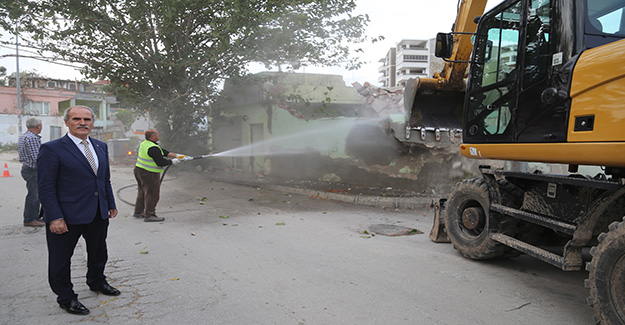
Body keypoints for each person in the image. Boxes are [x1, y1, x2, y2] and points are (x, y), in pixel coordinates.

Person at [38, 105, 120, 315]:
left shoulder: (100, 146)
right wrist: (54, 217)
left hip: (97, 212)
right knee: (60, 259)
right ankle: (66, 297)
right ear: (67, 122)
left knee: (98, 251)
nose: (82, 123)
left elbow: (104, 179)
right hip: (66, 216)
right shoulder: (52, 149)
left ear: (93, 123)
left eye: (87, 119)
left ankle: (96, 281)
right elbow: (46, 187)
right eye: (76, 119)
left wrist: (110, 203)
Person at [133, 128, 187, 222]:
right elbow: (161, 162)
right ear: (153, 136)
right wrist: (174, 162)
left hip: (139, 170)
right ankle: (150, 215)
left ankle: (138, 212)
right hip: (149, 173)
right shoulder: (153, 148)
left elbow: (163, 152)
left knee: (142, 191)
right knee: (152, 194)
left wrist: (177, 155)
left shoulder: (146, 143)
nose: (159, 136)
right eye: (157, 134)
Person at [18, 117, 44, 227]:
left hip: (27, 168)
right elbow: (37, 158)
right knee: (34, 195)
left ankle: (35, 216)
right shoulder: (32, 138)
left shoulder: (24, 136)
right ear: (38, 126)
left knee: (35, 194)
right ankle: (30, 219)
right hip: (33, 170)